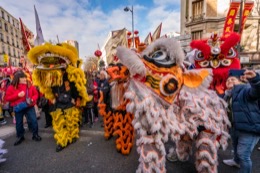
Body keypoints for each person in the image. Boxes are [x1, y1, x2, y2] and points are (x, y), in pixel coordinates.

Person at [223, 69, 260, 173]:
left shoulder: (245, 90)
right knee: (235, 147)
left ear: (240, 81)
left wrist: (255, 79)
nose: (229, 81)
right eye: (228, 80)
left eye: (233, 79)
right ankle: (236, 161)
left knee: (243, 155)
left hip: (250, 128)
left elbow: (257, 91)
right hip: (236, 127)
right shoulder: (228, 95)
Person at [5, 71, 41, 146]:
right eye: (23, 78)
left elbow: (35, 94)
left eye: (25, 77)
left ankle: (35, 135)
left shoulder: (29, 84)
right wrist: (17, 95)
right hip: (19, 108)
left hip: (29, 106)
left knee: (34, 120)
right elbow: (7, 98)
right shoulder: (12, 87)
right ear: (18, 79)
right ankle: (20, 136)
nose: (25, 79)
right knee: (19, 123)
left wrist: (32, 99)